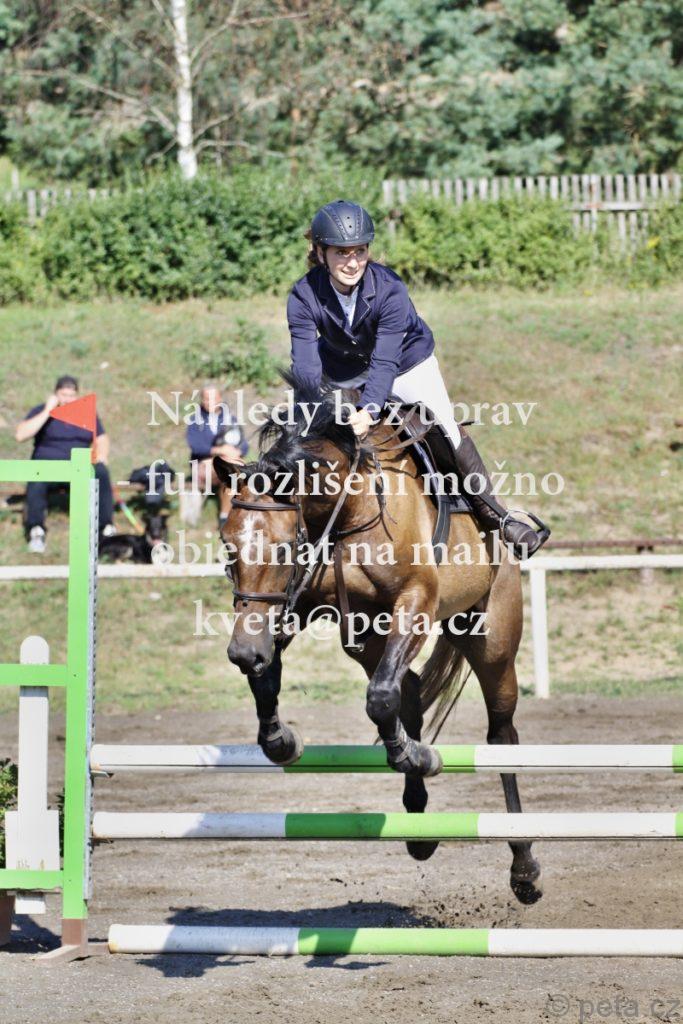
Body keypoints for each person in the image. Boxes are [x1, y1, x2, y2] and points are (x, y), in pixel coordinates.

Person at [286, 199, 549, 558]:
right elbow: (305, 365)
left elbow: (385, 361)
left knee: (445, 427)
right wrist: (309, 412)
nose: (352, 262)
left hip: (407, 363)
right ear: (320, 252)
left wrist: (369, 411)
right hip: (343, 371)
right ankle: (290, 524)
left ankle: (497, 517)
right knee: (303, 430)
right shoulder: (303, 295)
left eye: (360, 251)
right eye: (341, 252)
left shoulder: (390, 289)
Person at [15, 375, 116, 554]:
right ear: (55, 394)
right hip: (48, 467)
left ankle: (105, 529)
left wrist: (102, 454)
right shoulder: (41, 411)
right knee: (36, 477)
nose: (67, 400)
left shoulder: (86, 413)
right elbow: (20, 435)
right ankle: (36, 530)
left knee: (101, 472)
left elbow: (102, 438)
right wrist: (48, 411)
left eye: (71, 396)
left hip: (79, 467)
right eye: (63, 395)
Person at [185, 383, 248, 529]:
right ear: (202, 400)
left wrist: (237, 452)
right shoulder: (195, 420)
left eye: (213, 398)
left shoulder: (230, 419)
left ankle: (225, 516)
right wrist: (220, 451)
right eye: (206, 399)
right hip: (203, 466)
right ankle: (226, 516)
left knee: (232, 471)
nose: (210, 402)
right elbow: (196, 446)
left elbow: (243, 444)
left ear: (220, 399)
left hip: (227, 463)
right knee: (229, 468)